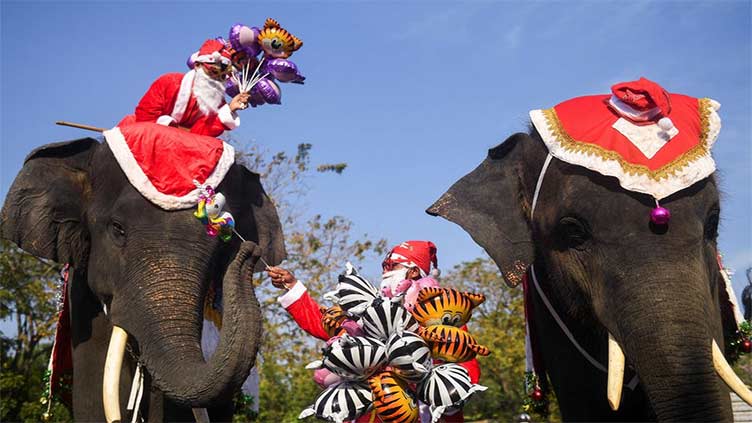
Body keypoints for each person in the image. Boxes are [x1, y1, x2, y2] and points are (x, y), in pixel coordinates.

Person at [267, 240, 481, 423]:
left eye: (391, 266)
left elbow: (467, 371)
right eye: (384, 266)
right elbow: (321, 321)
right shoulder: (367, 311)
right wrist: (292, 286)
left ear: (414, 271)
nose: (384, 272)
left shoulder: (442, 317)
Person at [119, 39, 250, 137]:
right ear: (198, 65)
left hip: (184, 148)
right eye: (212, 72)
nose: (215, 78)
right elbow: (145, 116)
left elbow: (202, 135)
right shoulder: (169, 82)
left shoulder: (217, 103)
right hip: (150, 136)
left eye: (221, 76)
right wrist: (174, 129)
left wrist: (230, 109)